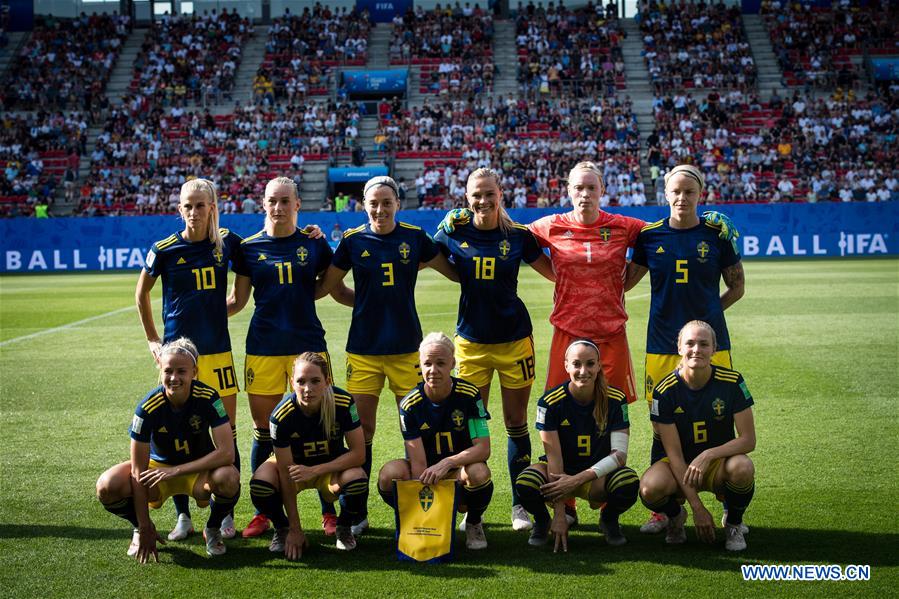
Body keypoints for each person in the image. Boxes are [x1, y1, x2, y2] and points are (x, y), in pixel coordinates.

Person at [317, 176, 458, 534]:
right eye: (373, 203)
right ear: (363, 205)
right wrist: (363, 303)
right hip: (363, 350)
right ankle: (357, 510)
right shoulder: (352, 240)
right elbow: (330, 288)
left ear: (398, 203)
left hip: (406, 350)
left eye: (386, 202)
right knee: (362, 431)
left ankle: (426, 508)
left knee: (414, 427)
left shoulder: (413, 237)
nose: (379, 210)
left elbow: (453, 271)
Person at [625, 164, 746, 534]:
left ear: (700, 195)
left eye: (689, 192)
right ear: (665, 194)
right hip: (662, 347)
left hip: (713, 345)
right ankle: (666, 510)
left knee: (720, 418)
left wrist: (705, 323)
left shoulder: (717, 234)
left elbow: (737, 287)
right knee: (662, 424)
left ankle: (730, 503)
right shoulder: (649, 237)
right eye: (675, 192)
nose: (682, 198)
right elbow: (626, 284)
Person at [433, 167, 555, 532]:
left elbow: (555, 272)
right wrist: (443, 228)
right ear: (466, 198)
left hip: (515, 340)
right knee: (471, 425)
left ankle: (520, 504)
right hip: (470, 343)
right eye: (476, 195)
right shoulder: (452, 232)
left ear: (501, 194)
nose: (483, 201)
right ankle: (473, 511)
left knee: (516, 423)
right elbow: (427, 257)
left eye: (489, 193)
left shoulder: (519, 236)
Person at [228, 176, 350, 539]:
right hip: (263, 348)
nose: (278, 207)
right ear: (263, 204)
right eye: (271, 201)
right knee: (264, 432)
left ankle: (329, 511)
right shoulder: (248, 248)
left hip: (308, 347)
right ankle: (264, 512)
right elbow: (238, 301)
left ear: (298, 205)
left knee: (322, 425)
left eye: (285, 201)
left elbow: (332, 288)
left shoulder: (313, 245)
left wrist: (375, 302)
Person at [135, 178, 242, 541]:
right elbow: (141, 294)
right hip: (177, 359)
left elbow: (260, 256)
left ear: (213, 207)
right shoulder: (164, 249)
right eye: (188, 205)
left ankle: (224, 515)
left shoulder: (228, 243)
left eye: (201, 205)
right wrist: (153, 340)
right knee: (178, 430)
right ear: (179, 209)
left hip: (218, 352)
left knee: (228, 430)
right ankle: (182, 515)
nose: (194, 212)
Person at [96, 338, 240, 561]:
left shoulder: (209, 398)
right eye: (168, 371)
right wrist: (144, 525)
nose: (174, 378)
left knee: (229, 477)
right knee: (107, 486)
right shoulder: (146, 408)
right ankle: (137, 529)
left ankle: (212, 529)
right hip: (157, 471)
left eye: (181, 371)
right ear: (160, 371)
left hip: (196, 472)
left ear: (195, 371)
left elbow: (227, 453)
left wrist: (176, 470)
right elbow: (138, 471)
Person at [639, 320, 756, 551]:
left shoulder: (732, 382)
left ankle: (733, 523)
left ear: (714, 349)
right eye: (690, 343)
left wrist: (708, 455)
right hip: (678, 465)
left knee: (743, 467)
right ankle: (676, 516)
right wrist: (697, 508)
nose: (696, 350)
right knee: (649, 488)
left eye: (704, 344)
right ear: (680, 348)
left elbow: (748, 440)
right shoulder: (664, 390)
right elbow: (673, 455)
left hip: (717, 464)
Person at [515, 339, 639, 550]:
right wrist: (559, 514)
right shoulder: (549, 402)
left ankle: (608, 519)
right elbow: (554, 458)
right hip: (559, 472)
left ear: (599, 365)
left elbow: (619, 456)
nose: (583, 371)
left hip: (597, 476)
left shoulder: (616, 399)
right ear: (566, 366)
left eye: (590, 364)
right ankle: (543, 521)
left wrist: (577, 480)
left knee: (627, 481)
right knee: (526, 482)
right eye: (576, 364)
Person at [376, 333, 493, 550]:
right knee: (388, 475)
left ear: (453, 363)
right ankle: (414, 520)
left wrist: (448, 462)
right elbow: (418, 464)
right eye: (427, 363)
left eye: (440, 363)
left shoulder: (470, 395)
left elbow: (483, 449)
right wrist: (427, 514)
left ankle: (474, 521)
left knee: (479, 473)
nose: (433, 370)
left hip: (458, 470)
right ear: (420, 365)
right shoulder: (409, 405)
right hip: (425, 471)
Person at [249, 352, 367, 559]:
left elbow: (359, 455)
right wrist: (295, 528)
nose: (307, 389)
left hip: (329, 469)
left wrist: (314, 470)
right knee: (260, 484)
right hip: (293, 470)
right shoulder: (280, 416)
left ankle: (344, 526)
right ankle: (282, 528)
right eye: (301, 381)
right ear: (291, 383)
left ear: (327, 382)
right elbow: (285, 473)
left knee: (357, 479)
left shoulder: (343, 402)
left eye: (315, 381)